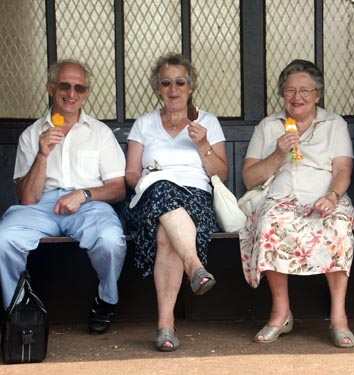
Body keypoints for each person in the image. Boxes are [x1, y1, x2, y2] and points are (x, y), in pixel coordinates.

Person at [0, 59, 127, 334]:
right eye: (65, 86)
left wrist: (83, 194)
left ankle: (106, 299)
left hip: (88, 204)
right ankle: (16, 308)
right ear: (51, 88)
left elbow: (117, 188)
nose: (72, 94)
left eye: (79, 88)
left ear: (87, 93)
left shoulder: (100, 133)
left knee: (110, 240)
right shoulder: (32, 134)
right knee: (4, 238)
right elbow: (27, 199)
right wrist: (42, 154)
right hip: (41, 207)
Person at [240, 59, 354, 347]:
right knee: (270, 224)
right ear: (282, 94)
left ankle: (339, 317)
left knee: (338, 229)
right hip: (281, 196)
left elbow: (343, 169)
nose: (297, 97)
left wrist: (332, 196)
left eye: (305, 90)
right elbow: (250, 178)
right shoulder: (268, 126)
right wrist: (278, 153)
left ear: (317, 94)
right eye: (291, 90)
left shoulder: (334, 124)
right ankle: (281, 313)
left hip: (325, 195)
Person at [124, 53, 228, 352]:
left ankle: (166, 326)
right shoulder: (144, 124)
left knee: (165, 236)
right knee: (160, 189)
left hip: (196, 196)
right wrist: (150, 180)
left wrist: (203, 145)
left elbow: (219, 174)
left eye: (180, 82)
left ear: (190, 86)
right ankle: (195, 267)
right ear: (158, 87)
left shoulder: (207, 122)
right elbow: (132, 174)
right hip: (149, 196)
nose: (173, 89)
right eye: (166, 83)